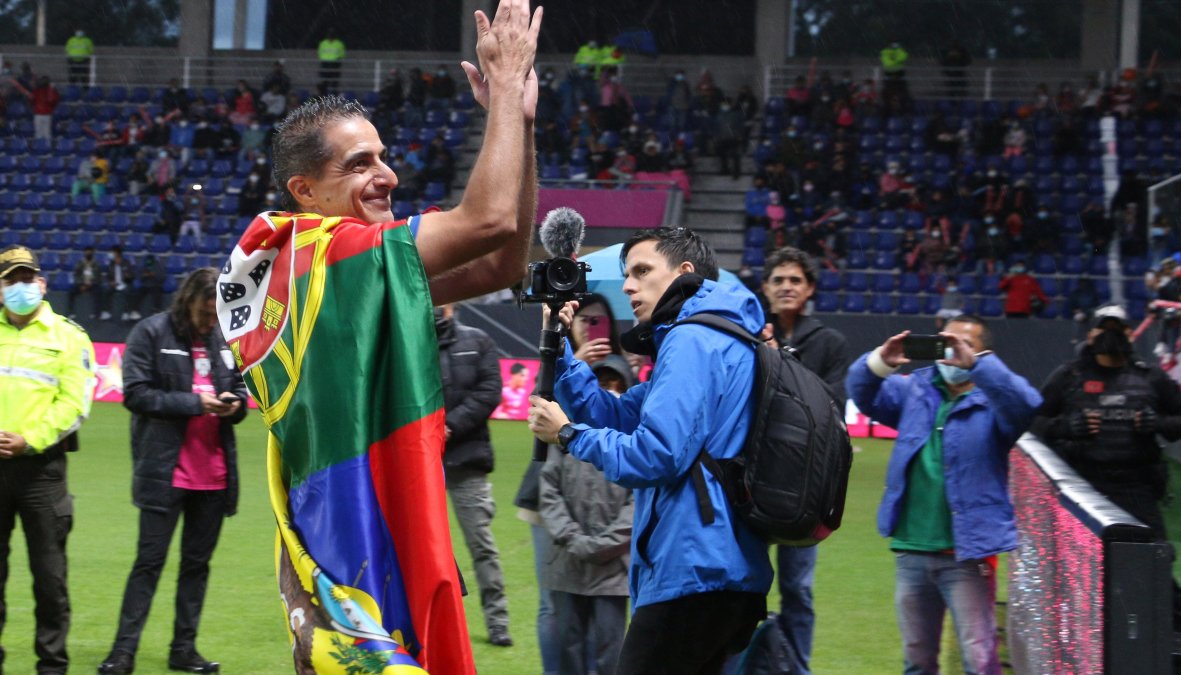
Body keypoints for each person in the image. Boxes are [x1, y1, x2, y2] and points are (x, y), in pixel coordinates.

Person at [213, 2, 542, 672]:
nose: (387, 175)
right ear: (305, 190)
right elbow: (488, 220)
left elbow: (503, 261)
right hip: (354, 546)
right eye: (360, 164)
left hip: (341, 538)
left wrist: (523, 127)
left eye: (384, 157)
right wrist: (505, 90)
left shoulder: (307, 266)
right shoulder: (327, 256)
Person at [527, 227, 773, 674]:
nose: (627, 286)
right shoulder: (715, 334)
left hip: (695, 569)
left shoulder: (692, 339)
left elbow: (656, 453)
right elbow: (619, 416)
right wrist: (561, 346)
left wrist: (568, 436)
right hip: (719, 568)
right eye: (626, 274)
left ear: (684, 273)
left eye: (641, 271)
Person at [846, 315, 1041, 675]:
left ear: (983, 353)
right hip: (911, 548)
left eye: (964, 343)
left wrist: (980, 368)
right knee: (917, 661)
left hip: (967, 555)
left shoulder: (995, 404)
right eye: (947, 342)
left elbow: (1027, 405)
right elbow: (862, 392)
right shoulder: (914, 389)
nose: (953, 351)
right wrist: (880, 362)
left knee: (980, 661)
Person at [97, 268, 248, 675]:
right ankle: (122, 652)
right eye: (204, 313)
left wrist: (235, 401)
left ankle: (184, 649)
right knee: (148, 563)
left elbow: (240, 384)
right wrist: (196, 404)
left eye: (215, 315)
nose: (209, 322)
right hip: (165, 471)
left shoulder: (223, 338)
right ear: (187, 302)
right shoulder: (151, 332)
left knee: (196, 567)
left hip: (214, 476)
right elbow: (136, 394)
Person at [1034, 304, 1181, 634]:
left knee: (1156, 565)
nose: (1110, 336)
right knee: (1078, 570)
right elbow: (1034, 421)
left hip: (1137, 488)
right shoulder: (1068, 377)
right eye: (1103, 328)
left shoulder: (1150, 378)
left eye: (1118, 329)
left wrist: (1157, 422)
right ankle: (1075, 640)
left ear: (1129, 334)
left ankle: (1179, 644)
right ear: (1091, 335)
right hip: (1080, 490)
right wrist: (1068, 426)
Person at [0, 245, 95, 675]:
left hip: (42, 472)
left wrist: (29, 440)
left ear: (41, 283)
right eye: (10, 280)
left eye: (26, 278)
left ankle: (52, 665)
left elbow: (74, 405)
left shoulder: (69, 336)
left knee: (50, 578)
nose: (20, 287)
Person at [758, 248, 852, 675]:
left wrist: (780, 361)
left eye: (795, 280)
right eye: (778, 280)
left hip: (807, 487)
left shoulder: (829, 343)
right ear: (765, 288)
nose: (786, 287)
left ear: (810, 288)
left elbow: (832, 406)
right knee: (746, 584)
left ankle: (797, 668)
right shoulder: (748, 332)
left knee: (798, 588)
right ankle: (748, 664)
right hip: (754, 482)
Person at [539, 356, 634, 675]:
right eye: (603, 385)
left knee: (611, 653)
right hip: (568, 562)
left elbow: (637, 505)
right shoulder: (563, 438)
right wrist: (573, 539)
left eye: (618, 386)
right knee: (569, 648)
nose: (611, 391)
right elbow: (549, 491)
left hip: (613, 571)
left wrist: (602, 545)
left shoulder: (632, 442)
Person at [434, 303, 513, 647]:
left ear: (452, 304)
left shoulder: (478, 340)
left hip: (467, 458)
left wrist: (448, 426)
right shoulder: (410, 343)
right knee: (425, 547)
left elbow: (489, 392)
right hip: (422, 462)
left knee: (481, 545)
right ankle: (435, 621)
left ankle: (498, 622)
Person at [68, 246, 104, 319]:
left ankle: (96, 314)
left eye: (89, 252)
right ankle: (71, 312)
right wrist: (81, 284)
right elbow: (76, 275)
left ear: (92, 253)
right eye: (86, 252)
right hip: (81, 284)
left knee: (99, 292)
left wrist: (90, 284)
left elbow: (98, 277)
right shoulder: (80, 263)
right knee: (71, 291)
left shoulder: (96, 264)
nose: (88, 254)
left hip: (92, 284)